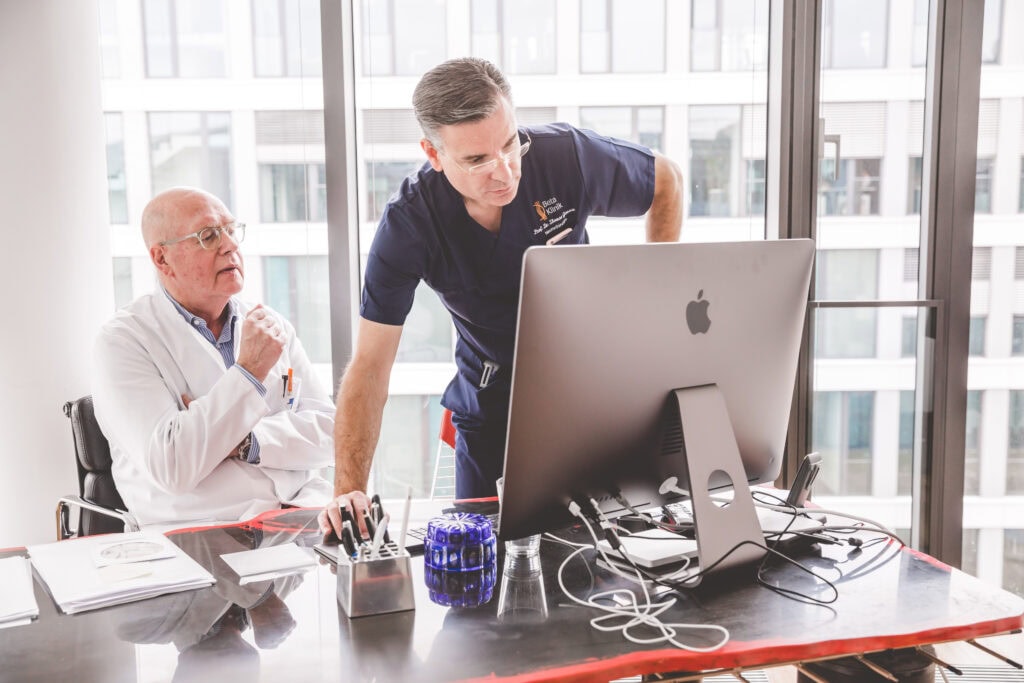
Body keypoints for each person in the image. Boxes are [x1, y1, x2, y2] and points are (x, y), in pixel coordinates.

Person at [321, 57, 683, 535]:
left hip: (589, 397)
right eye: (476, 160)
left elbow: (667, 182)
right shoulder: (409, 223)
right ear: (434, 154)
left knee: (610, 566)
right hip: (492, 411)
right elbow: (369, 365)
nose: (504, 171)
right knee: (482, 578)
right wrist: (350, 489)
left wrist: (655, 301)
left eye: (509, 144)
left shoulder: (564, 155)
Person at [93, 187, 334, 527]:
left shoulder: (269, 323)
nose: (230, 245)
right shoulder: (123, 341)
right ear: (162, 259)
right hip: (202, 537)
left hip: (301, 516)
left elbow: (331, 433)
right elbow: (172, 466)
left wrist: (245, 440)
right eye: (208, 236)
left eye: (231, 230)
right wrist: (249, 371)